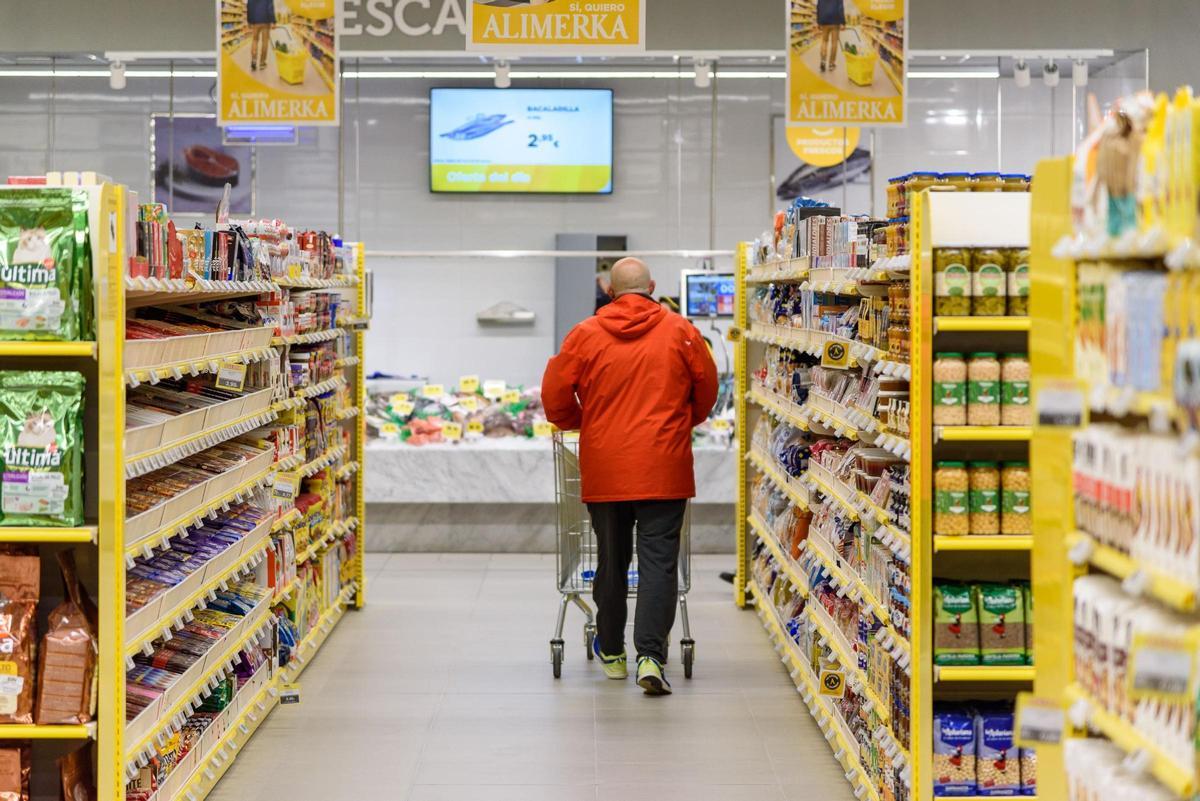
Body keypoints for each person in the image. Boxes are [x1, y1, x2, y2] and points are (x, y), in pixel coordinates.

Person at [542, 258, 718, 695]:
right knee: (659, 563)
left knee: (611, 559)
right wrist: (678, 423)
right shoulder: (682, 331)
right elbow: (707, 390)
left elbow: (554, 397)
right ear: (652, 287)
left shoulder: (584, 335)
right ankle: (651, 657)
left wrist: (587, 423)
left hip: (606, 468)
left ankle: (614, 654)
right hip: (664, 466)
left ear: (610, 292)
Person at [816, 0, 845, 74]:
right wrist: (843, 22)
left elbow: (818, 7)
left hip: (824, 20)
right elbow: (840, 8)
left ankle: (823, 61)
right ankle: (831, 64)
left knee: (824, 41)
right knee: (834, 42)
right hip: (835, 20)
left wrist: (818, 22)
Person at [247, 0, 275, 72]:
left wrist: (249, 21)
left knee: (255, 40)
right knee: (265, 41)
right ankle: (262, 63)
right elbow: (270, 8)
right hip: (266, 21)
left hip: (255, 21)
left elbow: (249, 8)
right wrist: (273, 21)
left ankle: (253, 61)